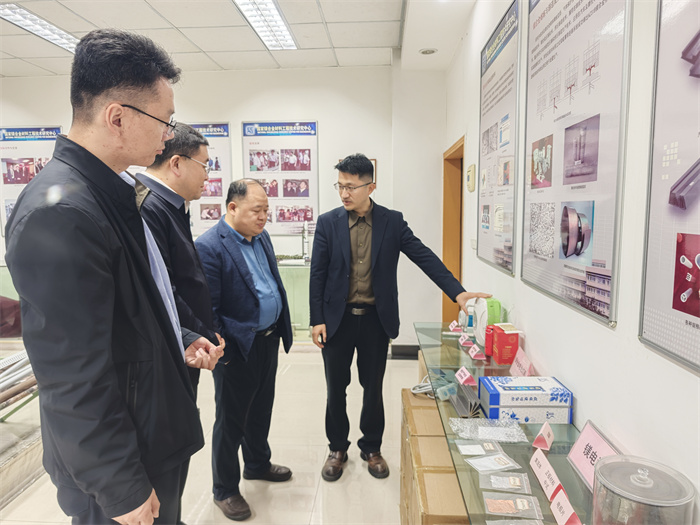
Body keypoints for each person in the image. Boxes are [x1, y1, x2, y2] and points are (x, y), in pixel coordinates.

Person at [4, 29, 223, 525]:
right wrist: (119, 484)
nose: (168, 135)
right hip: (122, 462)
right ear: (118, 117)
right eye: (164, 121)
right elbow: (72, 374)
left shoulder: (111, 194)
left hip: (149, 433)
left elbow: (136, 302)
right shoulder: (61, 212)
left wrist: (181, 336)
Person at [310, 153, 491, 482]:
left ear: (371, 187)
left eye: (351, 187)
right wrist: (316, 318)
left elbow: (424, 256)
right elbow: (317, 274)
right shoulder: (328, 222)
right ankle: (337, 448)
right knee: (336, 389)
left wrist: (457, 292)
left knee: (373, 388)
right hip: (337, 321)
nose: (344, 193)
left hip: (375, 321)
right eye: (340, 186)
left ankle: (371, 447)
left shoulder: (391, 222)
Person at [196, 179, 294, 522]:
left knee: (261, 408)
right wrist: (224, 349)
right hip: (237, 348)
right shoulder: (210, 246)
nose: (264, 216)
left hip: (267, 340)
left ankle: (257, 463)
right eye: (257, 210)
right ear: (232, 208)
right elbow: (208, 310)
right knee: (231, 420)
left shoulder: (261, 237)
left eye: (266, 210)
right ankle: (224, 489)